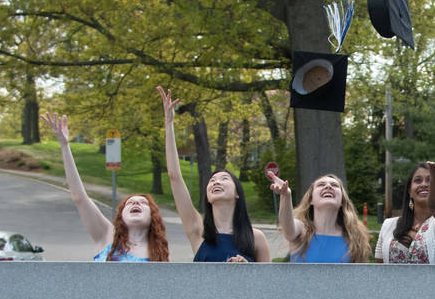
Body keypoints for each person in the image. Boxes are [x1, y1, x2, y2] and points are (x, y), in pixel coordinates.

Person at [158, 87, 271, 263]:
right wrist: (169, 123)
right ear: (208, 197)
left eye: (224, 179)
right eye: (212, 180)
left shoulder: (256, 238)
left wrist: (249, 270)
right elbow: (174, 176)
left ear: (237, 193)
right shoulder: (198, 229)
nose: (216, 182)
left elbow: (268, 285)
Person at [41, 111, 169, 262]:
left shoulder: (159, 252)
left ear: (153, 217)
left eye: (143, 203)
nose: (135, 203)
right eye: (129, 203)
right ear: (121, 215)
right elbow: (79, 198)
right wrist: (64, 145)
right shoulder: (107, 235)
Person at [269, 172, 371, 263]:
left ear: (342, 202)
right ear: (310, 200)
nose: (328, 186)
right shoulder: (301, 229)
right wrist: (286, 195)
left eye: (334, 185)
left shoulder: (354, 236)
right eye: (321, 185)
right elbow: (288, 228)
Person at [375, 161, 435, 264]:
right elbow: (379, 269)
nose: (424, 184)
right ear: (409, 191)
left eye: (430, 180)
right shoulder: (388, 225)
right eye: (418, 180)